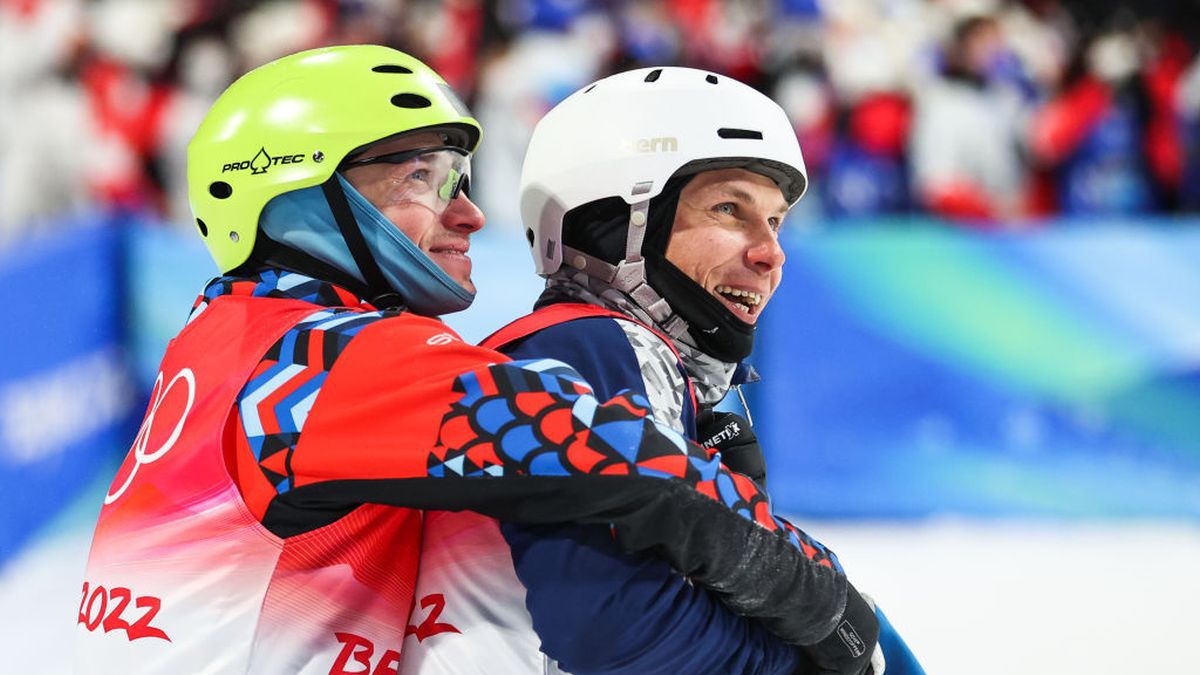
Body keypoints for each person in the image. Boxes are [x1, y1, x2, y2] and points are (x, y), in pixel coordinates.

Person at [75, 46, 877, 674]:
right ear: (300, 200)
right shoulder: (324, 354)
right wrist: (819, 593)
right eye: (421, 177)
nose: (469, 212)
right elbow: (610, 454)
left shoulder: (233, 330)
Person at [481, 66, 926, 674]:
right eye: (728, 209)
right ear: (616, 225)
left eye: (774, 221)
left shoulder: (626, 360)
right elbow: (614, 633)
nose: (770, 253)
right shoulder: (596, 345)